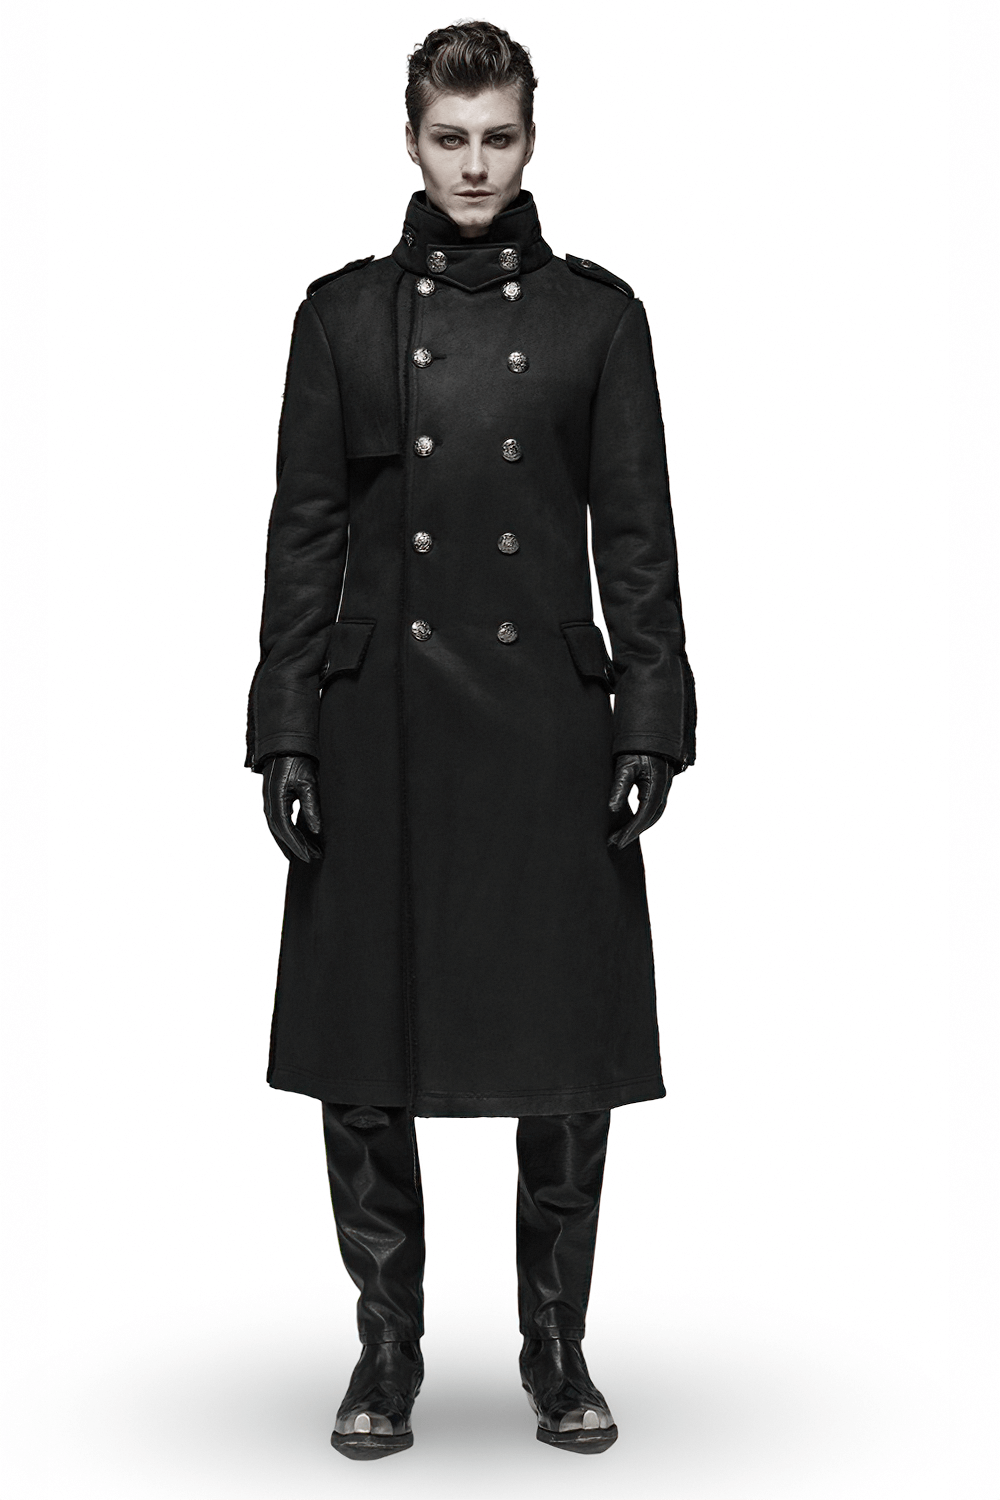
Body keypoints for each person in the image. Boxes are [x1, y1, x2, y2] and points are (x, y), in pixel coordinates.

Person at [245, 20, 696, 1460]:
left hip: (545, 729)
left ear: (531, 139)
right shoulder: (339, 317)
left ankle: (556, 1348)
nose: (476, 166)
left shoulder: (597, 320)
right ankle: (388, 1346)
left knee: (564, 1056)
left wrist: (648, 718)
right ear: (411, 141)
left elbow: (637, 539)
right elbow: (305, 536)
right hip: (381, 720)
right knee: (365, 1052)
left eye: (498, 137)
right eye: (451, 139)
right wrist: (286, 727)